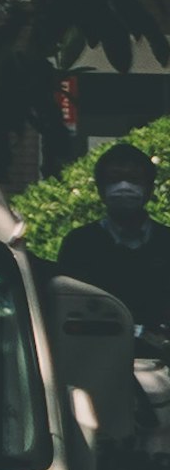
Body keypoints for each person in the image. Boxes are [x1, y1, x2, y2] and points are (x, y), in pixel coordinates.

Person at [59, 138, 170, 337]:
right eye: (115, 179)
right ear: (101, 190)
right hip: (98, 353)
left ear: (150, 189)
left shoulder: (166, 243)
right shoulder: (80, 245)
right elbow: (69, 310)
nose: (124, 186)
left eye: (134, 179)